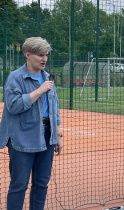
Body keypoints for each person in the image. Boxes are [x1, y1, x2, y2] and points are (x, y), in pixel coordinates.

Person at [0, 37, 63, 210]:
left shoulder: (47, 77)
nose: (44, 59)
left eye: (46, 55)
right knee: (19, 185)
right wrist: (39, 90)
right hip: (22, 137)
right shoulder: (16, 78)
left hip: (46, 135)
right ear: (28, 54)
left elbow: (54, 107)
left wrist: (58, 135)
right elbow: (13, 106)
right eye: (40, 55)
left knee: (41, 184)